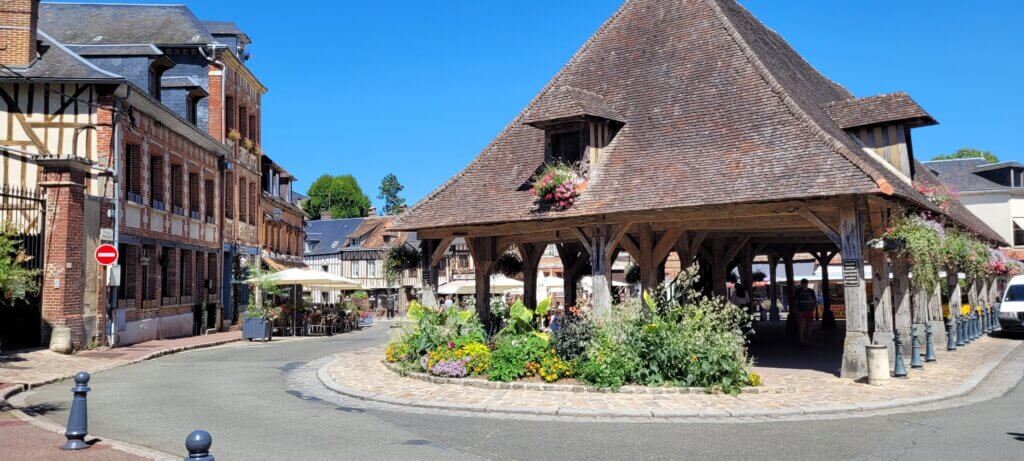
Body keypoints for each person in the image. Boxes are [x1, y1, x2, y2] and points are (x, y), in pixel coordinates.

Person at [793, 279, 818, 346]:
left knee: (809, 325)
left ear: (807, 284)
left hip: (809, 310)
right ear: (801, 284)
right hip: (800, 310)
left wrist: (813, 308)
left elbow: (814, 300)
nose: (804, 285)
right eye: (803, 284)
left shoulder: (811, 291)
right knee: (801, 325)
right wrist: (796, 308)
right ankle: (802, 340)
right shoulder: (798, 291)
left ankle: (807, 340)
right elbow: (794, 300)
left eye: (805, 284)